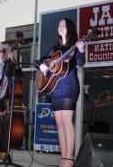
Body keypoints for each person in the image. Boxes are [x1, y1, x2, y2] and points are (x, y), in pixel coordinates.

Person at [38, 18, 85, 167]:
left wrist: (82, 50)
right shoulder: (54, 49)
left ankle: (70, 159)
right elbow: (39, 61)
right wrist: (44, 67)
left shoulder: (75, 46)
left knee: (66, 122)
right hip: (55, 88)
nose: (60, 27)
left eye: (62, 25)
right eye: (58, 25)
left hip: (69, 86)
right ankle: (63, 159)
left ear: (69, 28)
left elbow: (81, 62)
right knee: (59, 124)